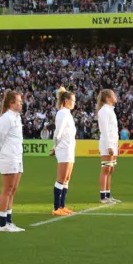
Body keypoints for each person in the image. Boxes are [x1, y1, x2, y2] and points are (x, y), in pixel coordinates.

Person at [0, 90, 26, 232]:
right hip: (9, 157)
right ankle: (2, 224)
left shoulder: (16, 117)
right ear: (11, 103)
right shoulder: (6, 118)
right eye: (19, 101)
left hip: (17, 156)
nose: (21, 103)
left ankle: (9, 221)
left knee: (13, 190)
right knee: (7, 190)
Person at [50, 87, 77, 215]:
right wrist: (55, 147)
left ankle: (62, 206)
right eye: (73, 100)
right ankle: (56, 208)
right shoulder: (62, 113)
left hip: (69, 148)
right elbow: (58, 132)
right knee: (61, 178)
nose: (74, 103)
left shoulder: (67, 113)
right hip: (64, 148)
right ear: (66, 101)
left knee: (66, 179)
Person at [97, 89, 120, 204]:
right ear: (107, 98)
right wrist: (109, 145)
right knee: (105, 169)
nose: (115, 96)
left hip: (113, 143)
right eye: (113, 95)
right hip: (107, 143)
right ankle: (103, 196)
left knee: (110, 169)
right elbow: (104, 130)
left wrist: (116, 144)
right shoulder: (104, 111)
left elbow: (113, 129)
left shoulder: (111, 110)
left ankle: (108, 194)